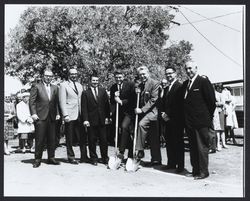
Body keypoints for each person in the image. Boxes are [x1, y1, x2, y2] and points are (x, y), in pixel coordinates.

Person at [183, 61, 216, 180]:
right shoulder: (186, 84)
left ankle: (203, 172)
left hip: (201, 122)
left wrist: (206, 117)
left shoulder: (203, 82)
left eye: (190, 68)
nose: (188, 71)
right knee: (193, 147)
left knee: (202, 147)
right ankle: (195, 170)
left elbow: (211, 102)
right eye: (186, 69)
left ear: (196, 68)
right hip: (190, 123)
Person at [29, 69, 61, 168]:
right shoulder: (36, 86)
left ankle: (51, 158)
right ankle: (37, 159)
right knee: (40, 139)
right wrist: (33, 114)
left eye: (50, 76)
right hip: (40, 117)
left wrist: (58, 113)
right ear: (43, 76)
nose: (48, 78)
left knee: (52, 139)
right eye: (47, 76)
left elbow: (56, 102)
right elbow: (32, 102)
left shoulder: (55, 87)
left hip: (52, 117)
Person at [59, 68, 89, 164]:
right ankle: (71, 157)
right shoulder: (63, 85)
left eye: (75, 74)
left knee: (82, 137)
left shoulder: (80, 85)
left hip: (80, 114)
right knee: (70, 137)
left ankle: (84, 156)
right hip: (70, 114)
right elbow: (62, 101)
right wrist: (65, 115)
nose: (74, 76)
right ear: (69, 75)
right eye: (72, 74)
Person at [81, 72, 110, 166]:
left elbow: (107, 105)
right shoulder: (85, 93)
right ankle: (93, 158)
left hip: (102, 120)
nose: (95, 82)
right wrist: (85, 119)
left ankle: (105, 157)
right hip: (91, 120)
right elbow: (84, 107)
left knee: (104, 140)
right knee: (92, 140)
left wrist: (107, 117)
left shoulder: (103, 91)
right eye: (93, 80)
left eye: (97, 80)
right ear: (90, 81)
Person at [135, 66, 162, 166]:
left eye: (144, 74)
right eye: (140, 75)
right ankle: (156, 160)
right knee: (153, 137)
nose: (142, 76)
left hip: (153, 113)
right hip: (145, 113)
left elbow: (153, 100)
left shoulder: (154, 83)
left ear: (148, 73)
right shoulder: (140, 85)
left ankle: (140, 150)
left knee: (141, 125)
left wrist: (141, 110)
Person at [160, 67, 185, 173]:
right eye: (167, 74)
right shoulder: (166, 88)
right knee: (169, 141)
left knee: (178, 142)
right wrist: (163, 114)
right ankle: (171, 163)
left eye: (170, 73)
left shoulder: (180, 86)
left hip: (176, 119)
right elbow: (164, 103)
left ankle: (180, 166)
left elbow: (178, 104)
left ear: (175, 74)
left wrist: (168, 114)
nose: (168, 75)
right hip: (167, 119)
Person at [109, 70, 136, 161]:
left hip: (129, 112)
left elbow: (132, 99)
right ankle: (129, 154)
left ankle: (122, 152)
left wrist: (121, 101)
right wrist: (115, 97)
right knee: (123, 132)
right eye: (116, 77)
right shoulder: (113, 87)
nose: (118, 79)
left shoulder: (130, 85)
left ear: (123, 77)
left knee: (125, 127)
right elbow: (112, 102)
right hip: (119, 113)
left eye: (120, 77)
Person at [213, 84, 228, 151]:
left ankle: (223, 143)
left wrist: (216, 103)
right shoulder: (214, 93)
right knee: (217, 128)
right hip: (216, 112)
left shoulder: (220, 94)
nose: (220, 89)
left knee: (222, 128)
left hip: (221, 111)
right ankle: (218, 144)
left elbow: (223, 103)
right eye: (219, 88)